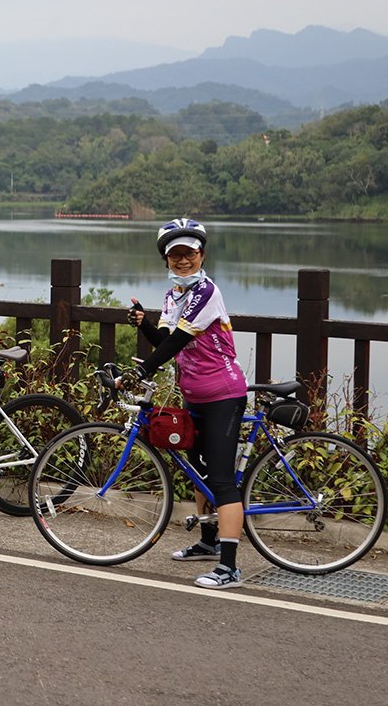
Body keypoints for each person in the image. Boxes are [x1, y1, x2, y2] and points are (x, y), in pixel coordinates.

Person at [121, 218, 248, 589]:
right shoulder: (173, 294)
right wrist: (144, 323)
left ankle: (229, 567)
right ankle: (208, 543)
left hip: (223, 393)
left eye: (189, 254)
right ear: (166, 260)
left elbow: (176, 342)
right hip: (193, 393)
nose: (182, 260)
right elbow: (165, 336)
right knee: (199, 471)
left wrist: (141, 370)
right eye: (175, 255)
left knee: (222, 479)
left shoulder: (207, 292)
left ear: (201, 255)